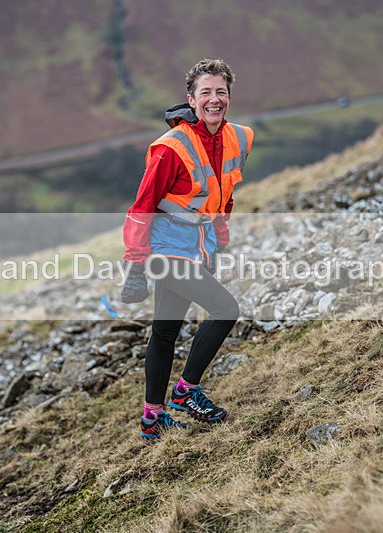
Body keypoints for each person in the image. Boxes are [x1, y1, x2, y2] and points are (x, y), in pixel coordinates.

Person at [120, 58, 254, 439]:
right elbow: (142, 206)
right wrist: (135, 265)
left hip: (198, 244)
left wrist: (220, 238)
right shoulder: (169, 148)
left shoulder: (240, 138)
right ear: (191, 100)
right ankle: (186, 392)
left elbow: (222, 193)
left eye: (221, 92)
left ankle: (152, 419)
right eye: (206, 93)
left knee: (164, 332)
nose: (214, 100)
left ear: (229, 96)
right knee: (226, 309)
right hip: (164, 249)